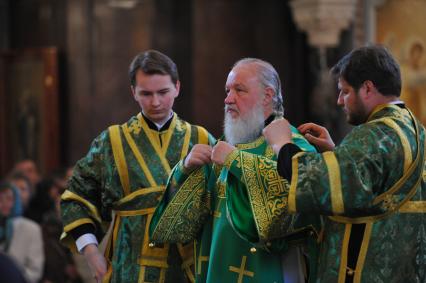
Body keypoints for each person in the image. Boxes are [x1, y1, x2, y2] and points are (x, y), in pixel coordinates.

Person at [263, 45, 426, 282]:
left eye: (345, 91)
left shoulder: (375, 134)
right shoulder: (413, 128)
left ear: (368, 88)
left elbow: (321, 186)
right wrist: (338, 153)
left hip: (367, 270)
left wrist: (282, 145)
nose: (339, 101)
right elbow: (376, 188)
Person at [149, 58, 321, 283]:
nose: (228, 99)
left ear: (267, 96)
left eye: (239, 90)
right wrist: (185, 169)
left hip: (267, 272)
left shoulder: (292, 146)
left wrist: (235, 160)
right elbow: (177, 228)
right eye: (227, 90)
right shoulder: (226, 145)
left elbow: (297, 199)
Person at [60, 50, 212, 283]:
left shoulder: (200, 138)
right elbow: (76, 197)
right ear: (133, 92)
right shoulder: (112, 141)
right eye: (146, 93)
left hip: (186, 267)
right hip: (129, 265)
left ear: (177, 88)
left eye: (163, 92)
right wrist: (91, 252)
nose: (156, 102)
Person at [0, 181, 44, 283]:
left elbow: (35, 269)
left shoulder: (31, 228)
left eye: (9, 199)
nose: (4, 203)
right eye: (0, 199)